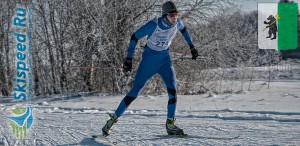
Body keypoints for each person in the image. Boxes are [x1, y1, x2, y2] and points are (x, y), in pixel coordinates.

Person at [102, 1, 198, 136]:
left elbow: (184, 30)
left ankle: (170, 125)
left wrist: (192, 47)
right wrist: (129, 59)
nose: (175, 18)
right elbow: (134, 37)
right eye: (172, 15)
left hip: (165, 61)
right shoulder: (154, 24)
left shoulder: (177, 23)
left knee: (173, 92)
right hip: (149, 61)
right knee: (135, 92)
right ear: (165, 15)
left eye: (176, 14)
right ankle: (112, 120)